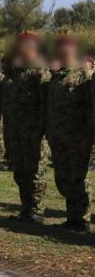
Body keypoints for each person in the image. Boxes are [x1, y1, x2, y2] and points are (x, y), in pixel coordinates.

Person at [47, 36, 92, 232]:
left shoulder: (84, 74)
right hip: (58, 135)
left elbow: (90, 107)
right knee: (63, 178)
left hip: (77, 136)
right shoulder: (57, 76)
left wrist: (87, 136)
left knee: (79, 177)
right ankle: (71, 216)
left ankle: (82, 219)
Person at [6, 31, 51, 224]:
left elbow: (45, 102)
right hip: (17, 126)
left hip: (34, 129)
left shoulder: (39, 69)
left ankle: (36, 210)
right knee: (20, 170)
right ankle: (26, 208)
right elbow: (5, 66)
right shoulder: (18, 69)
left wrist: (42, 128)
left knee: (35, 170)